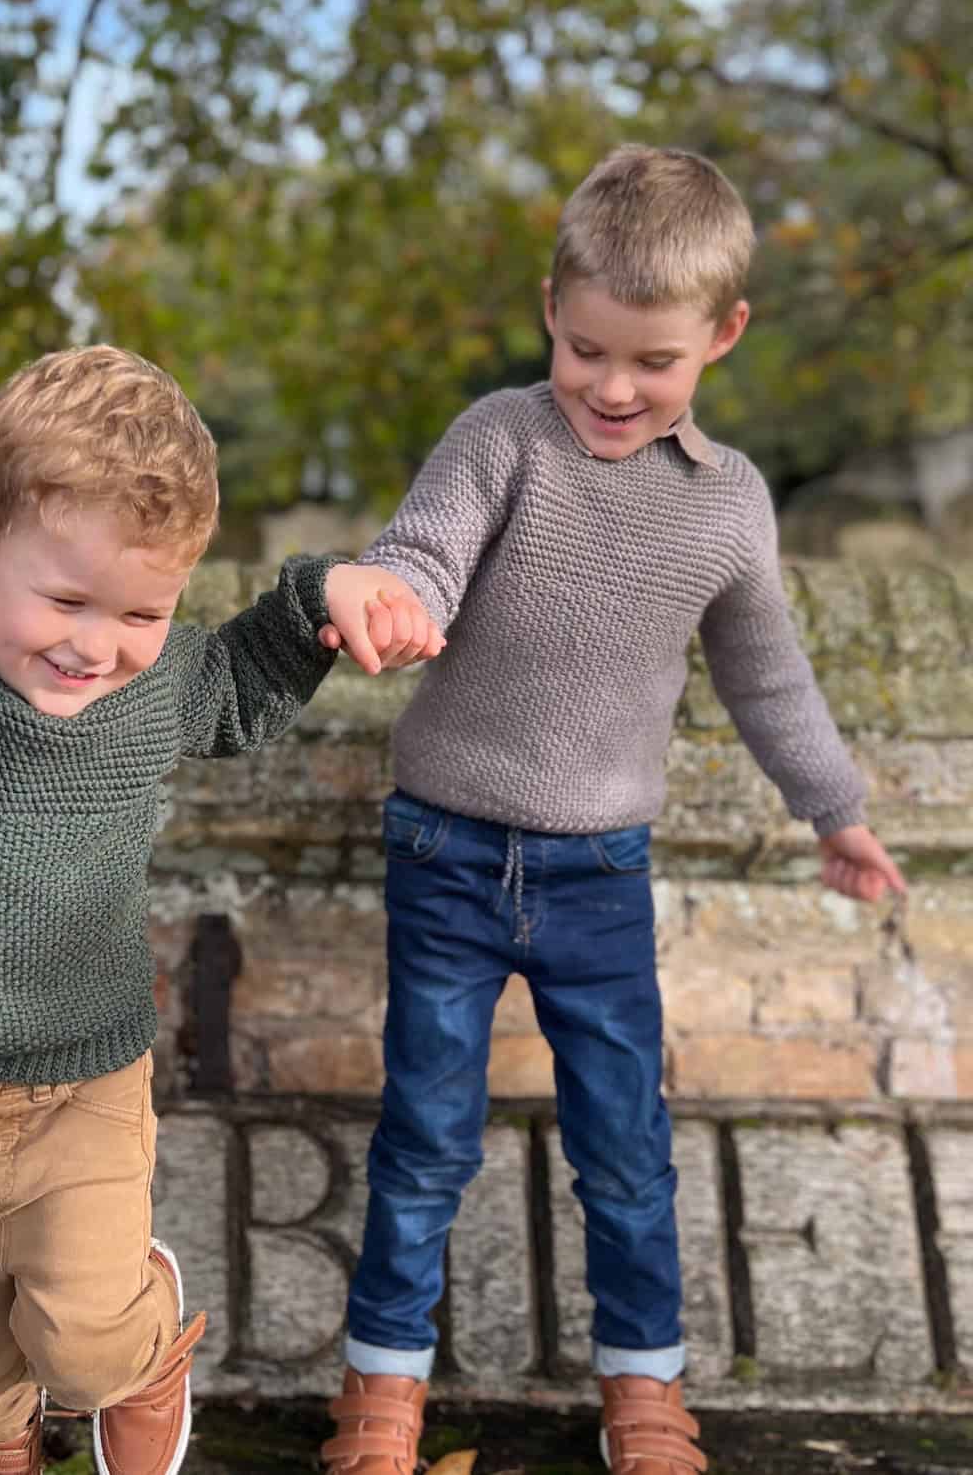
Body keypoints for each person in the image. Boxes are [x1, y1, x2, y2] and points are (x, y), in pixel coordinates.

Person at [0, 140, 444, 1475]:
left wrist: (329, 596)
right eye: (66, 601)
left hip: (83, 1076)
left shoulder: (155, 682)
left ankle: (141, 1355)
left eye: (140, 611)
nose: (100, 643)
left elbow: (247, 672)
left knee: (77, 1337)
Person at [318, 145, 907, 1475]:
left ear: (725, 337)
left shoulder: (731, 504)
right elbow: (426, 545)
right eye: (587, 350)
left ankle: (646, 1391)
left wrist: (837, 810)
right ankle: (382, 1397)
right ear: (549, 310)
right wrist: (390, 595)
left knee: (627, 1150)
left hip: (599, 876)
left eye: (655, 363)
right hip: (447, 853)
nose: (614, 387)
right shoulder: (501, 440)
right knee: (424, 1137)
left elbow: (768, 676)